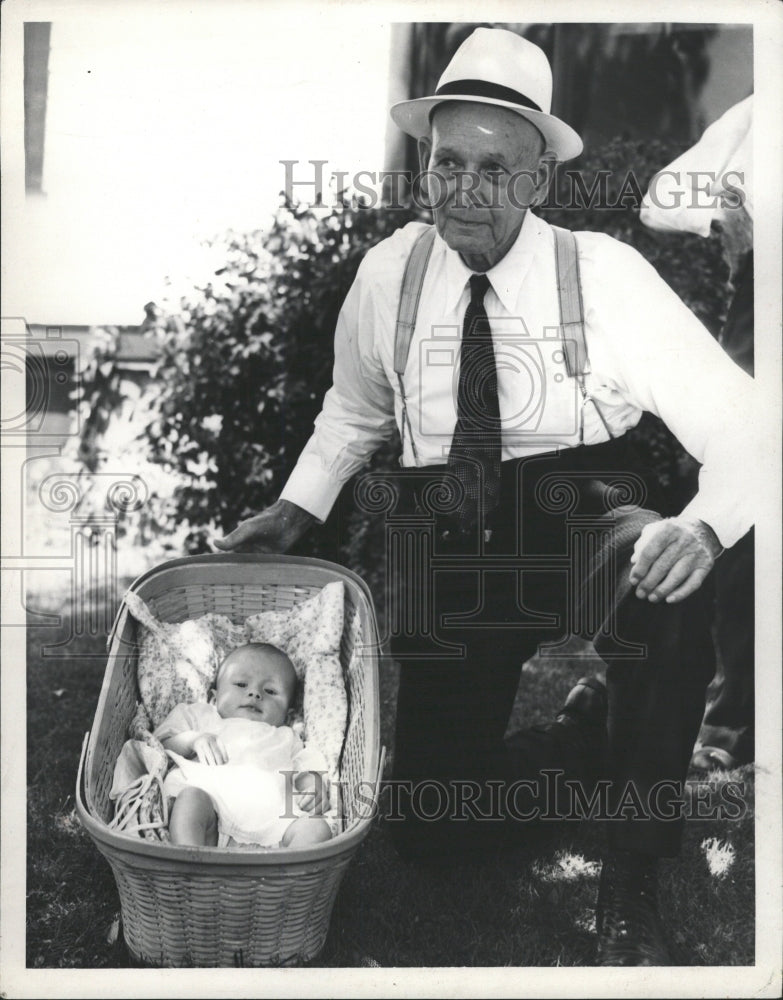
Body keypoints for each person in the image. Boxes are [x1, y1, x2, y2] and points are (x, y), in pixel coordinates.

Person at [216, 28, 760, 964]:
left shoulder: (603, 274)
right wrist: (298, 507)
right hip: (447, 525)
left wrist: (703, 527)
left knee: (665, 591)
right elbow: (354, 410)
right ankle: (586, 744)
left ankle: (631, 880)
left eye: (492, 168)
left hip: (580, 503)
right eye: (445, 163)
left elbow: (749, 425)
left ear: (538, 178)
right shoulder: (390, 273)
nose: (462, 190)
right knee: (434, 826)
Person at [640, 95, 754, 771]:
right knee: (743, 520)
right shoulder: (757, 110)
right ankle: (726, 732)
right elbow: (658, 199)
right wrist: (718, 214)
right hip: (763, 317)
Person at [155, 642, 331, 848]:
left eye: (270, 691)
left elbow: (305, 767)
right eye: (241, 684)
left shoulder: (287, 735)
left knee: (316, 828)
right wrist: (193, 740)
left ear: (288, 715)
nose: (255, 693)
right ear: (214, 698)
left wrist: (313, 786)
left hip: (275, 830)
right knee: (190, 800)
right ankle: (191, 864)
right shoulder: (201, 715)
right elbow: (160, 746)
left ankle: (282, 874)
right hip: (211, 816)